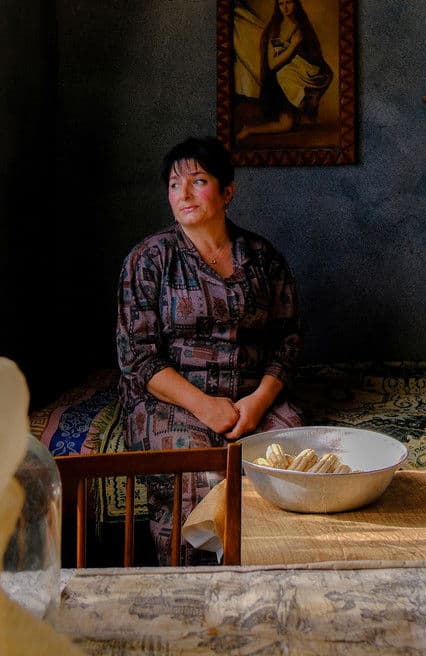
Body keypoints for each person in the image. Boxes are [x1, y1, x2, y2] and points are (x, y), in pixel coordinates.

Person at [115, 136, 304, 564]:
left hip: (250, 399)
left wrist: (257, 404)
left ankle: (274, 581)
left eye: (197, 181)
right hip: (171, 401)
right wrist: (205, 407)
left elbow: (288, 341)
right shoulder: (149, 259)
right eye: (174, 184)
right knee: (203, 470)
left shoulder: (262, 258)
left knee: (290, 460)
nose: (182, 194)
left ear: (227, 191)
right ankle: (197, 587)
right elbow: (138, 356)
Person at [236, 0, 333, 141]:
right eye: (281, 4)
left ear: (295, 4)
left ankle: (251, 129)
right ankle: (248, 130)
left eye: (288, 2)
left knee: (291, 125)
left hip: (296, 80)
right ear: (278, 7)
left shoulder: (303, 27)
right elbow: (272, 64)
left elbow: (313, 57)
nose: (285, 7)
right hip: (278, 83)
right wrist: (293, 45)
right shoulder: (274, 29)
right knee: (286, 125)